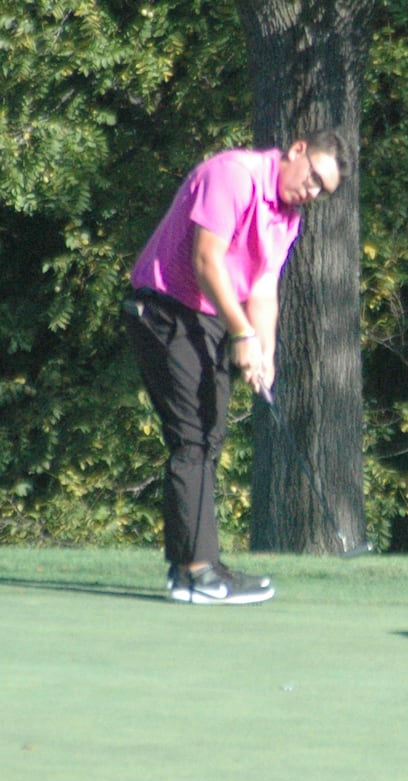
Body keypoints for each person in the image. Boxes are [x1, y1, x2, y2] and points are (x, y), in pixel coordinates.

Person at [123, 130, 352, 604]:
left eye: (320, 191)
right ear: (297, 151)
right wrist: (241, 333)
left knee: (208, 435)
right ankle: (194, 573)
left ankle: (198, 563)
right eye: (312, 178)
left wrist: (263, 350)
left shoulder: (287, 218)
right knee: (193, 437)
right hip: (164, 307)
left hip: (206, 317)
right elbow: (206, 261)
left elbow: (263, 288)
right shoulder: (234, 175)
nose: (311, 192)